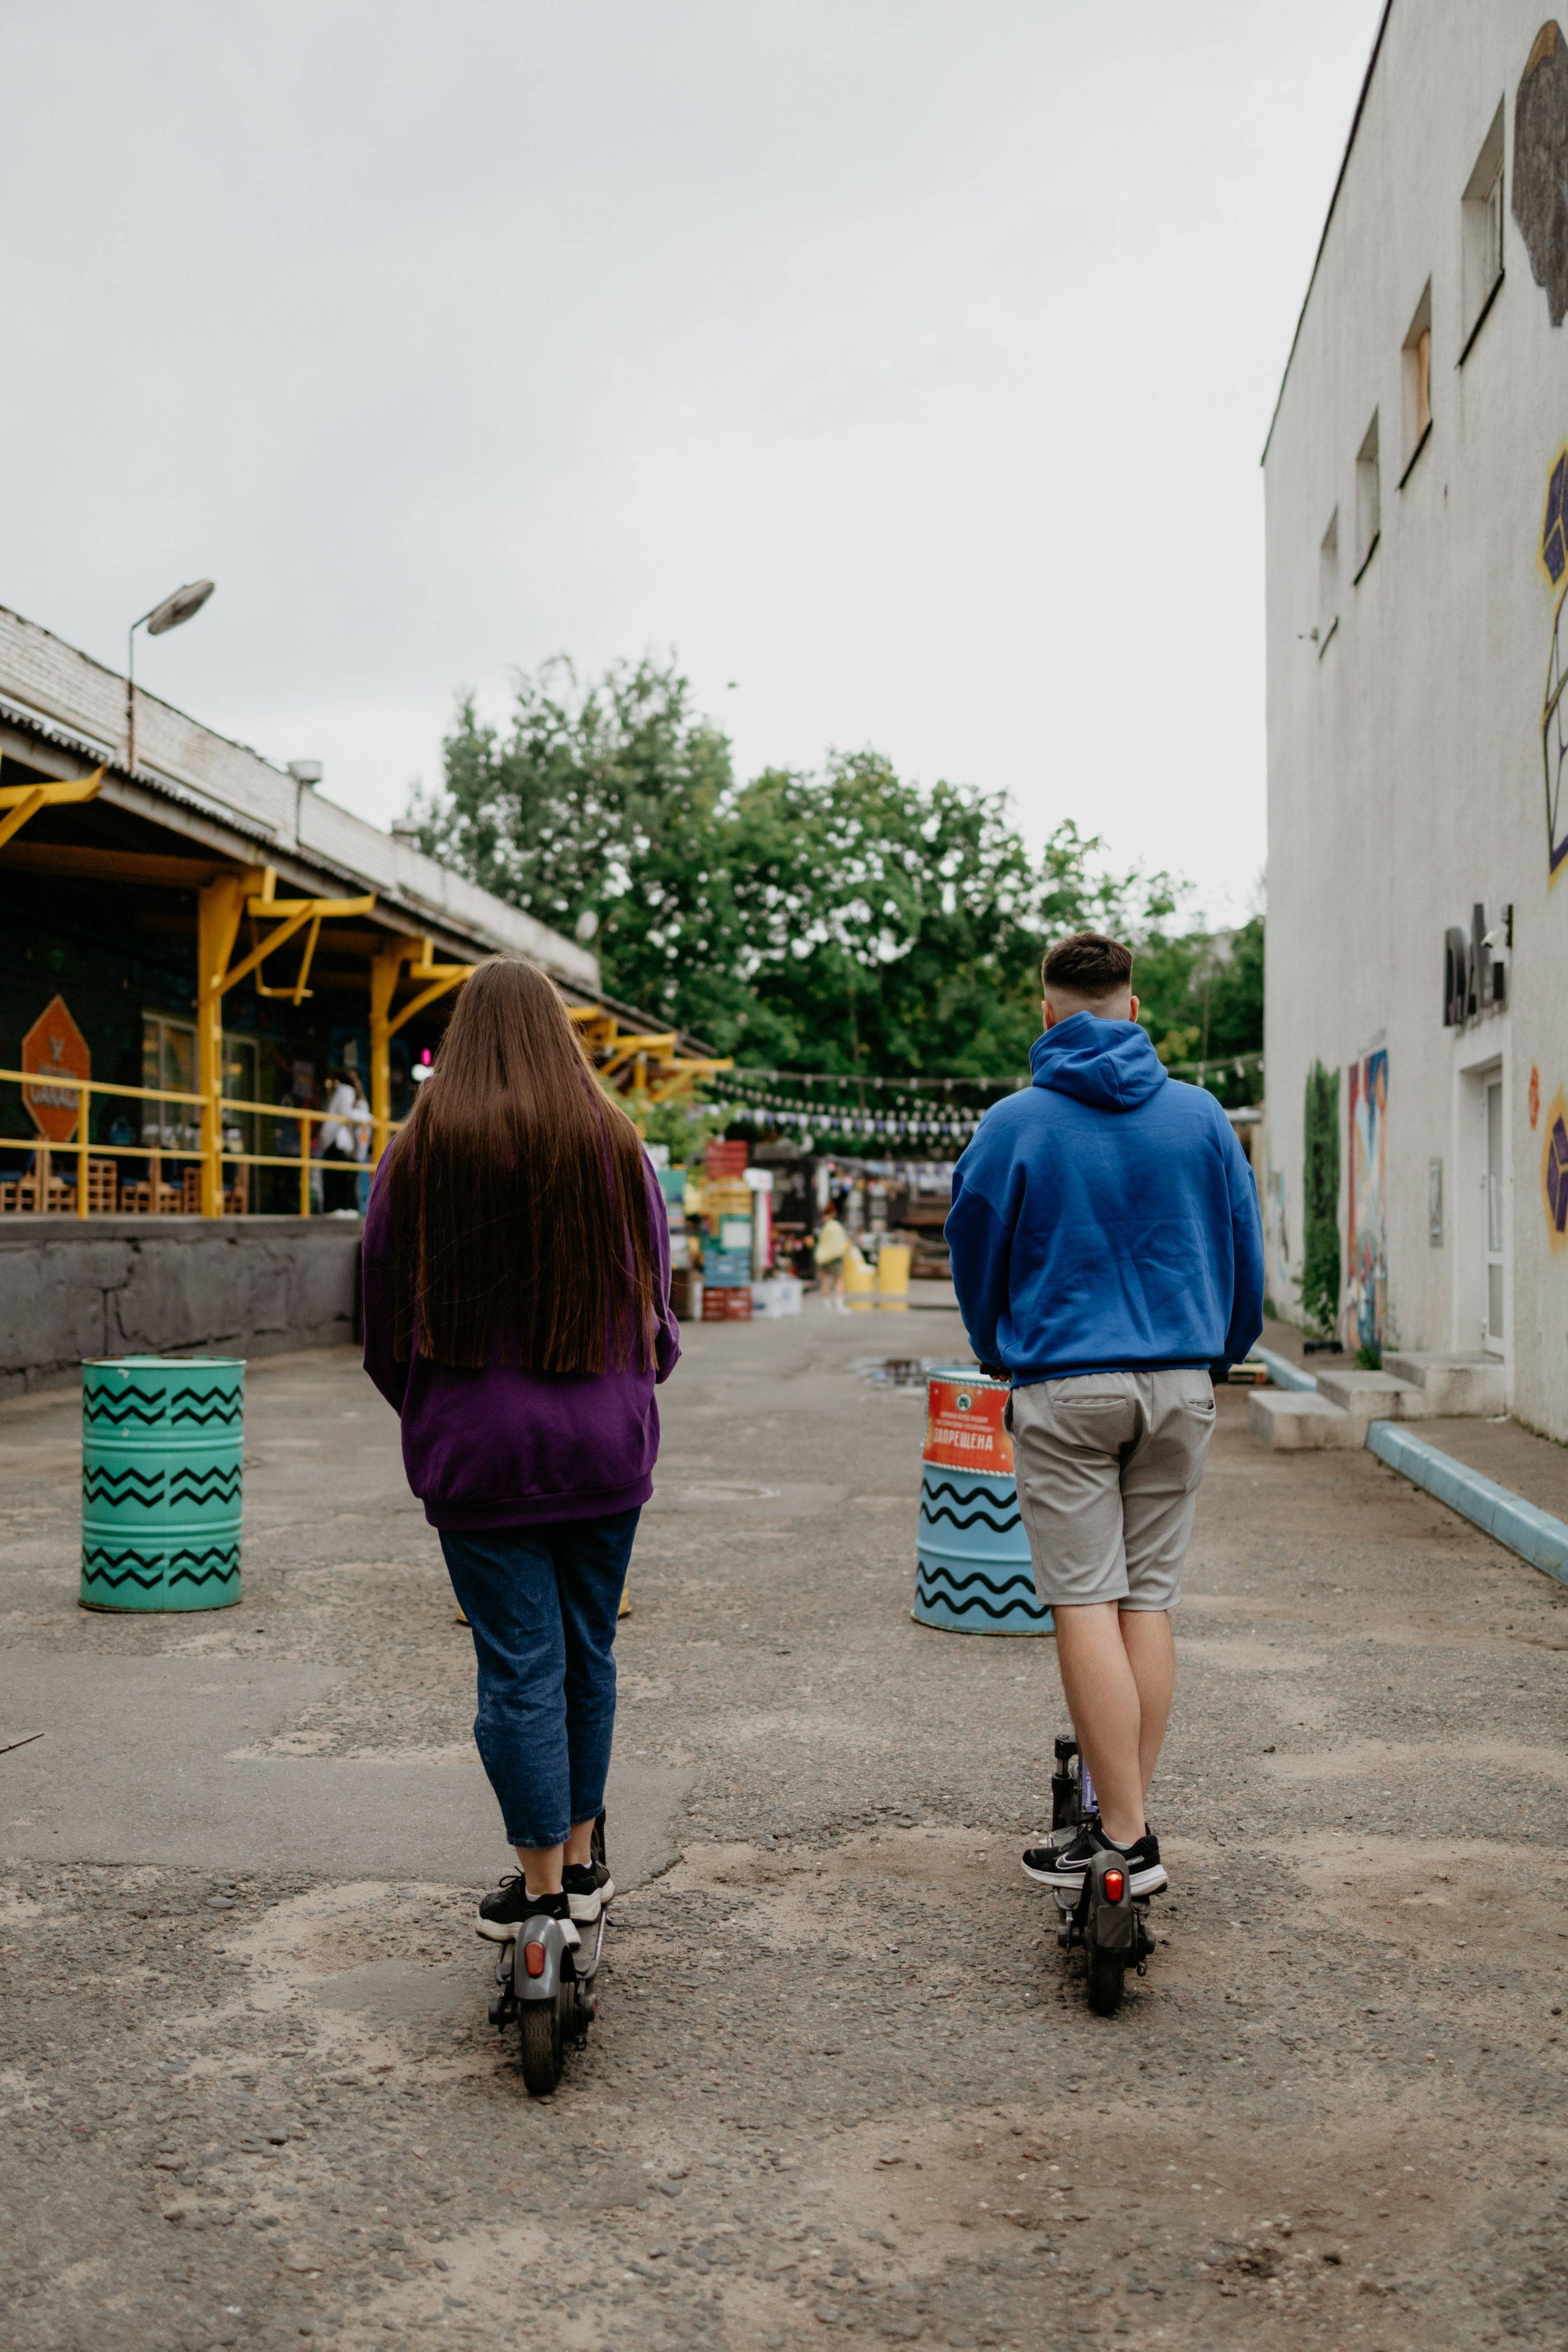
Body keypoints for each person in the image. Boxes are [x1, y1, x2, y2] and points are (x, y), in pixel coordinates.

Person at [361, 958, 679, 1945]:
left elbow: (378, 1328)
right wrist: (631, 1382)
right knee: (591, 1656)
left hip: (478, 1457)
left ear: (461, 1038)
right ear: (558, 1035)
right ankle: (583, 1870)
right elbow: (657, 1317)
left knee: (517, 1669)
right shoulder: (615, 1145)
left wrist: (438, 1407)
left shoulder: (420, 1152)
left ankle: (538, 1892)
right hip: (603, 1450)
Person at [945, 931, 1262, 1898]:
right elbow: (1245, 1256)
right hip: (1180, 1382)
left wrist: (996, 1345)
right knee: (1148, 1600)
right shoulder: (1203, 1119)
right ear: (1136, 1008)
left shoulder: (1014, 1125)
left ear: (1045, 1013)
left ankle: (1119, 1837)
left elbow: (975, 1253)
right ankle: (1123, 1823)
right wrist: (1222, 1346)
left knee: (1083, 1600)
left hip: (1065, 1385)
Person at [318, 1069, 361, 1211]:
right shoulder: (347, 1091)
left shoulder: (340, 1091)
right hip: (336, 1140)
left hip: (333, 1139)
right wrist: (366, 1118)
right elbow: (346, 1114)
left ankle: (335, 1207)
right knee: (336, 1177)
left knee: (333, 1176)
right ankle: (334, 1207)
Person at [813, 1200, 849, 1310]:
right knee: (838, 1280)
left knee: (825, 1280)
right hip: (835, 1257)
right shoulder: (837, 1226)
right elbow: (843, 1240)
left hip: (823, 1257)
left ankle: (827, 1303)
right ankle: (838, 1303)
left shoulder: (822, 1227)